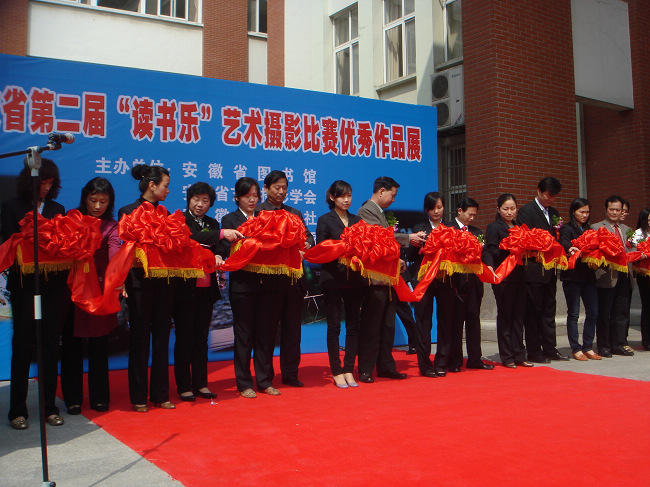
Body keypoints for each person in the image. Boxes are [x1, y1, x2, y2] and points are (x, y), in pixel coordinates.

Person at [2, 158, 68, 429]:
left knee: (50, 345)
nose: (46, 188)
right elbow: (7, 243)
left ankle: (49, 407)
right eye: (42, 183)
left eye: (50, 183)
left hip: (52, 288)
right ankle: (17, 410)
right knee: (22, 345)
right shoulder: (12, 207)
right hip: (24, 286)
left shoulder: (57, 209)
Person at [172, 182, 243, 402]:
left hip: (206, 289)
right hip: (185, 288)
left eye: (205, 201)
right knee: (185, 337)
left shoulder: (212, 223)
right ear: (189, 199)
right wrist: (218, 235)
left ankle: (201, 384)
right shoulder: (180, 220)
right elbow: (191, 239)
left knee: (201, 338)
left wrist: (219, 253)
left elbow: (220, 246)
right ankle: (184, 386)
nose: (200, 204)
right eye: (196, 199)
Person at [356, 176, 426, 383]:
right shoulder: (366, 211)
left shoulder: (379, 212)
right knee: (372, 324)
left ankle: (386, 366)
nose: (393, 200)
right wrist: (408, 238)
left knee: (387, 325)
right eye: (392, 195)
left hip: (387, 277)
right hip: (374, 278)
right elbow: (379, 237)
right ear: (381, 191)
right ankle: (366, 369)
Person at [118, 165, 175, 412]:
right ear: (152, 185)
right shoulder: (128, 212)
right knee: (139, 339)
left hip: (163, 283)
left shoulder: (166, 214)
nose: (168, 190)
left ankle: (161, 394)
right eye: (165, 185)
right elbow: (125, 250)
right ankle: (139, 396)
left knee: (162, 338)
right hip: (139, 282)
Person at [60, 177, 120, 416]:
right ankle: (72, 398)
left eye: (103, 202)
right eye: (93, 200)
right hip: (73, 291)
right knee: (71, 346)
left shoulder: (111, 226)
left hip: (98, 291)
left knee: (98, 346)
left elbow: (115, 253)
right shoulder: (72, 219)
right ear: (85, 198)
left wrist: (117, 279)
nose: (97, 206)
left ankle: (99, 397)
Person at [254, 170, 315, 389]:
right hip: (269, 280)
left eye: (284, 188)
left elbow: (309, 236)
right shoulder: (258, 212)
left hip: (293, 280)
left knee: (292, 330)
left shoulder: (294, 212)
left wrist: (307, 244)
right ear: (266, 188)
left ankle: (290, 373)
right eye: (276, 187)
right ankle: (265, 377)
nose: (281, 192)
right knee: (267, 331)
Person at [221, 177, 271, 397]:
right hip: (242, 286)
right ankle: (244, 383)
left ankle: (264, 380)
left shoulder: (265, 218)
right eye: (247, 196)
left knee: (264, 335)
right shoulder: (229, 219)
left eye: (255, 195)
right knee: (243, 335)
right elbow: (227, 249)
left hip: (265, 285)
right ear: (237, 197)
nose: (252, 200)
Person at [316, 180, 363, 388]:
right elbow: (321, 249)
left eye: (349, 195)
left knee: (353, 325)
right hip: (332, 278)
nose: (346, 200)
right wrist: (342, 248)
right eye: (342, 196)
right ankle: (336, 370)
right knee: (334, 326)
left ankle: (349, 369)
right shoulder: (325, 220)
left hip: (354, 279)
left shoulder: (357, 220)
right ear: (332, 197)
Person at [517, 177, 568, 363]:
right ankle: (534, 350)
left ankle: (550, 348)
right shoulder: (526, 211)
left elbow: (558, 236)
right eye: (548, 195)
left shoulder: (554, 212)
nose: (550, 199)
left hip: (550, 269)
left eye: (554, 196)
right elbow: (526, 239)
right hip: (534, 269)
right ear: (538, 191)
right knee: (533, 312)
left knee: (549, 310)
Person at [409, 192, 455, 377]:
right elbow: (412, 256)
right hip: (424, 279)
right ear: (426, 209)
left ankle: (442, 362)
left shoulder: (450, 228)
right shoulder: (420, 228)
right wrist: (416, 243)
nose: (436, 211)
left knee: (446, 320)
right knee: (423, 322)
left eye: (439, 207)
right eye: (432, 208)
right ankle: (425, 365)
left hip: (445, 279)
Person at [484, 193, 532, 368]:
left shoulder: (520, 228)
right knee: (506, 315)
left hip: (520, 275)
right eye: (506, 209)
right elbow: (490, 250)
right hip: (503, 276)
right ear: (498, 209)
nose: (510, 212)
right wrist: (509, 247)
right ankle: (507, 356)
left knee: (519, 315)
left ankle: (519, 353)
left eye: (513, 208)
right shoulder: (494, 227)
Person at [447, 197, 494, 372]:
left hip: (474, 282)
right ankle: (455, 360)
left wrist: (489, 265)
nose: (472, 218)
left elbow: (485, 251)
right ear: (460, 210)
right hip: (456, 282)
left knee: (474, 321)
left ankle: (475, 358)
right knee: (456, 323)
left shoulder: (476, 232)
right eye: (469, 214)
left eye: (475, 215)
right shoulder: (449, 229)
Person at [558, 198, 601, 361]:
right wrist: (571, 248)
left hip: (589, 276)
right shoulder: (567, 228)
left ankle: (588, 346)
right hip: (573, 277)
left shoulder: (590, 229)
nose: (584, 215)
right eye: (581, 212)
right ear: (573, 212)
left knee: (593, 312)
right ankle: (576, 348)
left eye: (587, 212)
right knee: (574, 313)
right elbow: (563, 242)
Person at [592, 196, 635, 357]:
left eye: (618, 210)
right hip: (607, 275)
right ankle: (604, 345)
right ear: (606, 209)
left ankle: (619, 344)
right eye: (612, 209)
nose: (615, 212)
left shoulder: (627, 229)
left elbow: (632, 249)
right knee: (605, 312)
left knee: (621, 312)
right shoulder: (596, 227)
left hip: (624, 274)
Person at [632, 208, 650, 351]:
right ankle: (647, 340)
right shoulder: (638, 234)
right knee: (647, 306)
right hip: (645, 274)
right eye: (648, 220)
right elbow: (634, 253)